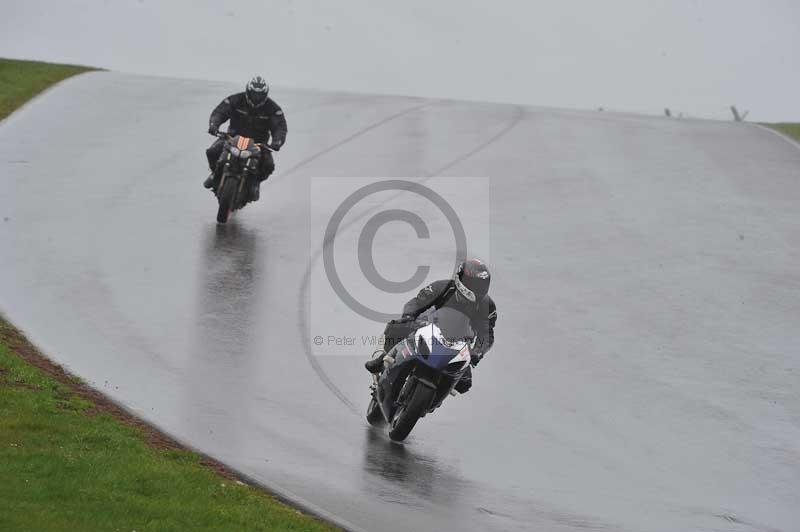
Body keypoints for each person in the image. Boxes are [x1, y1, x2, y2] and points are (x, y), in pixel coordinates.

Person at [364, 258, 497, 394]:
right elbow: (417, 302)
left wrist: (478, 351)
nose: (478, 289)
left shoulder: (487, 307)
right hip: (429, 328)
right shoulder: (442, 287)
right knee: (397, 327)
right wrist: (409, 315)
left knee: (465, 383)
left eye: (482, 285)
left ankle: (436, 397)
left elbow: (486, 334)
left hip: (458, 345)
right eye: (475, 284)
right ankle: (381, 362)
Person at [203, 76, 287, 201]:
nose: (256, 98)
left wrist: (277, 142)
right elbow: (220, 112)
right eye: (254, 94)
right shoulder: (236, 100)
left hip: (258, 144)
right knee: (212, 151)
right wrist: (213, 125)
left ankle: (255, 183)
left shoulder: (273, 108)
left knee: (268, 165)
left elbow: (279, 127)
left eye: (259, 95)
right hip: (232, 138)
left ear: (265, 95)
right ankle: (215, 173)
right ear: (248, 91)